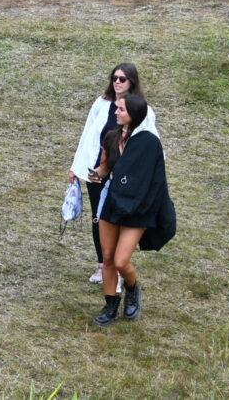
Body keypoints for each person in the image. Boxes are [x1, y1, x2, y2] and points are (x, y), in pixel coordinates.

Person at [68, 63, 159, 289]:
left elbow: (153, 146)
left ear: (132, 83)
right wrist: (76, 167)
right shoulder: (101, 104)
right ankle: (103, 265)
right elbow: (88, 134)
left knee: (117, 220)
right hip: (99, 172)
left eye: (123, 79)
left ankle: (117, 271)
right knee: (99, 219)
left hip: (124, 178)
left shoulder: (143, 111)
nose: (117, 82)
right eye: (115, 78)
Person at [91, 93, 172, 326]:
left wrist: (146, 206)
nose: (116, 112)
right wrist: (97, 174)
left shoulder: (149, 142)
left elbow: (154, 179)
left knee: (120, 261)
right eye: (116, 108)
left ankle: (133, 289)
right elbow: (105, 166)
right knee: (107, 258)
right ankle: (110, 305)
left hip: (137, 209)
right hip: (113, 202)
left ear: (134, 115)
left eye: (121, 110)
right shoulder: (111, 136)